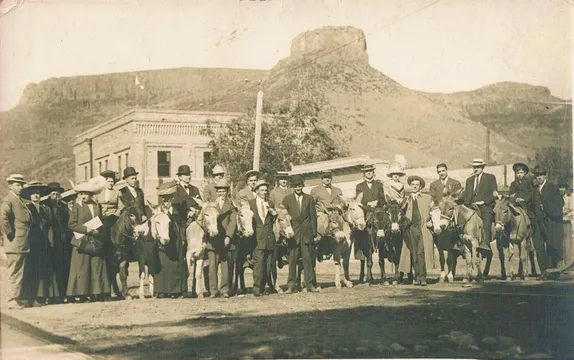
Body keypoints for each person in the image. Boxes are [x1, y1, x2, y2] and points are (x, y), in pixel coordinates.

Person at [67, 181, 111, 302]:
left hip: (95, 240)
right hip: (81, 241)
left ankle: (98, 293)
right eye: (81, 193)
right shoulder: (76, 206)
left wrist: (98, 231)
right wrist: (87, 230)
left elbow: (100, 220)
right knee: (82, 267)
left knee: (97, 266)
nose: (84, 196)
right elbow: (71, 224)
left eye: (86, 193)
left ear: (91, 194)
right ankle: (81, 294)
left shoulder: (97, 206)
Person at [21, 181, 60, 306]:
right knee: (31, 270)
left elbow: (50, 227)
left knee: (42, 271)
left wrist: (51, 242)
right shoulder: (26, 208)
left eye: (37, 193)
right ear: (29, 196)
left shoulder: (46, 209)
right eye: (33, 193)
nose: (36, 196)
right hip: (31, 244)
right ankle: (29, 298)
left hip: (44, 244)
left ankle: (40, 296)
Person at [282, 175, 319, 293]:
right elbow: (283, 216)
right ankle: (291, 285)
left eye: (300, 186)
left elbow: (313, 216)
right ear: (293, 187)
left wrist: (314, 232)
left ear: (302, 186)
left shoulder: (309, 198)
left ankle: (310, 284)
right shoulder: (287, 199)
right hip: (293, 234)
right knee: (292, 260)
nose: (298, 188)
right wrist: (285, 233)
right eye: (296, 186)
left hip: (307, 234)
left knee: (308, 260)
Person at [153, 181, 189, 298]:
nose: (165, 200)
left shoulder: (178, 209)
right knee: (163, 264)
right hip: (163, 239)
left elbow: (183, 224)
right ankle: (162, 290)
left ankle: (176, 291)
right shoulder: (158, 210)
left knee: (176, 264)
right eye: (163, 198)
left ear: (172, 197)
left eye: (167, 198)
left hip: (176, 239)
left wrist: (183, 239)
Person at [1, 174, 32, 310]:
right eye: (17, 184)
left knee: (19, 270)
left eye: (21, 185)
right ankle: (11, 299)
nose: (20, 187)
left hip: (21, 242)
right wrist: (9, 233)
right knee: (15, 271)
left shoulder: (18, 200)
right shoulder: (9, 199)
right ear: (11, 186)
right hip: (15, 242)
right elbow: (3, 217)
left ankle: (16, 298)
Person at [532, 165, 564, 277]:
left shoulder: (552, 187)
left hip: (549, 221)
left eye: (541, 175)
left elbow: (560, 203)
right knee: (539, 246)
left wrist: (547, 209)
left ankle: (552, 271)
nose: (539, 177)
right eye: (537, 175)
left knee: (551, 245)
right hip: (537, 222)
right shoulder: (534, 189)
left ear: (545, 175)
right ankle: (543, 272)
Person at [206, 179, 237, 298]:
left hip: (225, 239)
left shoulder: (232, 205)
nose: (221, 193)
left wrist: (229, 236)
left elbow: (233, 222)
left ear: (227, 192)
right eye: (219, 191)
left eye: (223, 191)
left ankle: (224, 290)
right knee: (212, 267)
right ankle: (213, 291)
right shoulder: (211, 204)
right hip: (213, 240)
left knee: (225, 266)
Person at [95, 170, 123, 296]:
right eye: (109, 181)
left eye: (112, 181)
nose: (111, 183)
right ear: (105, 182)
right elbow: (96, 206)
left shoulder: (117, 193)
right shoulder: (98, 193)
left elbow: (121, 206)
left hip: (112, 218)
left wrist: (116, 212)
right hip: (101, 218)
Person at [508, 163, 538, 276]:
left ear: (525, 173)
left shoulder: (529, 182)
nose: (519, 175)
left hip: (527, 206)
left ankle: (531, 235)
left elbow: (532, 193)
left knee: (531, 217)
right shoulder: (513, 184)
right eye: (517, 173)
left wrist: (524, 199)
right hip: (516, 204)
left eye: (521, 172)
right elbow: (511, 194)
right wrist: (516, 198)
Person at [461, 158, 498, 251]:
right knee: (459, 219)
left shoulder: (490, 178)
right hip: (471, 207)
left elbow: (493, 192)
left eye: (478, 167)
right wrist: (458, 200)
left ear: (483, 167)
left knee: (487, 220)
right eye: (474, 167)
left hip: (485, 206)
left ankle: (485, 243)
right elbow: (466, 194)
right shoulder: (469, 180)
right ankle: (460, 243)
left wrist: (484, 201)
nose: (475, 169)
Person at [249, 180, 277, 296]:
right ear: (256, 191)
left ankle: (264, 286)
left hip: (269, 237)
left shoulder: (270, 203)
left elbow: (273, 221)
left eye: (266, 190)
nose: (264, 192)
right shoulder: (250, 204)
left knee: (268, 265)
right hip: (256, 238)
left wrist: (274, 213)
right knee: (258, 264)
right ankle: (256, 288)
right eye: (262, 190)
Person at [403, 176, 433, 286]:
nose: (415, 186)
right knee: (413, 253)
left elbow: (433, 211)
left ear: (420, 187)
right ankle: (416, 277)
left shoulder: (427, 198)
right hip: (410, 229)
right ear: (410, 186)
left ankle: (423, 277)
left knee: (421, 252)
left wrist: (431, 221)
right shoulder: (406, 199)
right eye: (413, 184)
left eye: (417, 184)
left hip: (422, 229)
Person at [268, 171, 293, 282]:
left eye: (285, 179)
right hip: (278, 216)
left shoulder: (292, 191)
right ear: (278, 180)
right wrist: (276, 211)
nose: (284, 181)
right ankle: (279, 255)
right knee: (276, 233)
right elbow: (270, 204)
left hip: (290, 217)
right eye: (282, 179)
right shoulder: (273, 192)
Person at [558, 180, 573, 269]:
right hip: (558, 223)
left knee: (567, 243)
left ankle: (568, 264)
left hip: (566, 223)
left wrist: (565, 215)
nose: (561, 189)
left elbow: (571, 211)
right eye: (560, 187)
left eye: (563, 187)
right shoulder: (556, 198)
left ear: (566, 189)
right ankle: (560, 264)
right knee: (559, 243)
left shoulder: (569, 198)